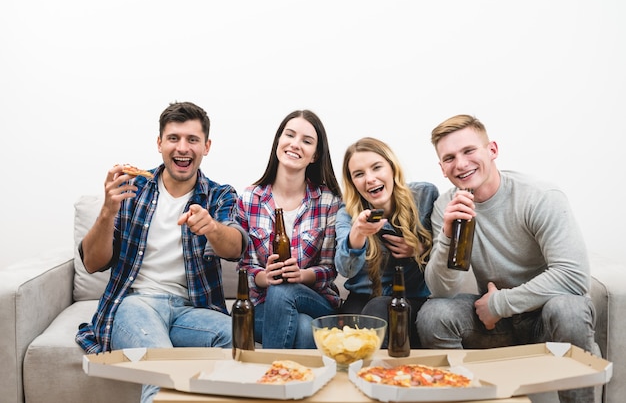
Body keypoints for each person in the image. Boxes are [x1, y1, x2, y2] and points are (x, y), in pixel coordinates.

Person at [417, 114, 598, 402]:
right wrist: (448, 236)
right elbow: (441, 290)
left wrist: (500, 304)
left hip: (543, 318)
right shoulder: (447, 205)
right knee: (433, 315)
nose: (461, 164)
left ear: (492, 150)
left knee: (569, 308)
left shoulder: (539, 196)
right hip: (492, 325)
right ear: (442, 168)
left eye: (469, 151)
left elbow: (573, 276)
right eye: (449, 158)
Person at [75, 102, 247, 403]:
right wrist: (107, 212)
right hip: (135, 305)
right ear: (159, 144)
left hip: (191, 312)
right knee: (165, 372)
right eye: (174, 138)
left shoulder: (220, 195)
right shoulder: (132, 188)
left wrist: (211, 228)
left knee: (239, 340)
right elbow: (91, 263)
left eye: (192, 139)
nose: (183, 148)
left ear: (206, 146)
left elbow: (235, 248)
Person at [237, 109, 343, 349]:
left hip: (316, 302)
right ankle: (291, 382)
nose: (296, 144)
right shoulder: (249, 198)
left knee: (283, 292)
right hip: (263, 307)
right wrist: (266, 277)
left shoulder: (328, 201)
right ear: (278, 142)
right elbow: (246, 267)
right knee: (304, 327)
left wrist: (302, 276)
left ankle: (270, 381)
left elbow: (329, 269)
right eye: (290, 135)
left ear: (315, 155)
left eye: (306, 141)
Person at [335, 137, 438, 348]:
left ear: (391, 168)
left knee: (378, 309)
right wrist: (358, 234)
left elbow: (445, 250)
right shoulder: (347, 215)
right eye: (359, 174)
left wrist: (420, 249)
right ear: (352, 182)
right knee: (345, 332)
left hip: (409, 302)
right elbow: (345, 269)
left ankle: (380, 378)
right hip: (362, 300)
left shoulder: (425, 196)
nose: (370, 179)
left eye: (376, 168)